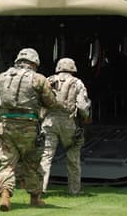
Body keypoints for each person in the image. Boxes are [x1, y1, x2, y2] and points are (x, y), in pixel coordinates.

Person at [0, 48, 56, 211]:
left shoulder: (3, 77)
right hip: (29, 126)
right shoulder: (39, 79)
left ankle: (5, 194)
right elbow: (51, 102)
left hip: (6, 126)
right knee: (32, 162)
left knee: (7, 162)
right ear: (34, 63)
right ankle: (35, 198)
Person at [39, 58, 91, 195]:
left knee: (46, 156)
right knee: (73, 157)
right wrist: (85, 116)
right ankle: (74, 190)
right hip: (69, 123)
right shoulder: (77, 83)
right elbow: (82, 106)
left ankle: (40, 188)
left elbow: (41, 101)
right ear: (72, 68)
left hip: (49, 121)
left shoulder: (48, 80)